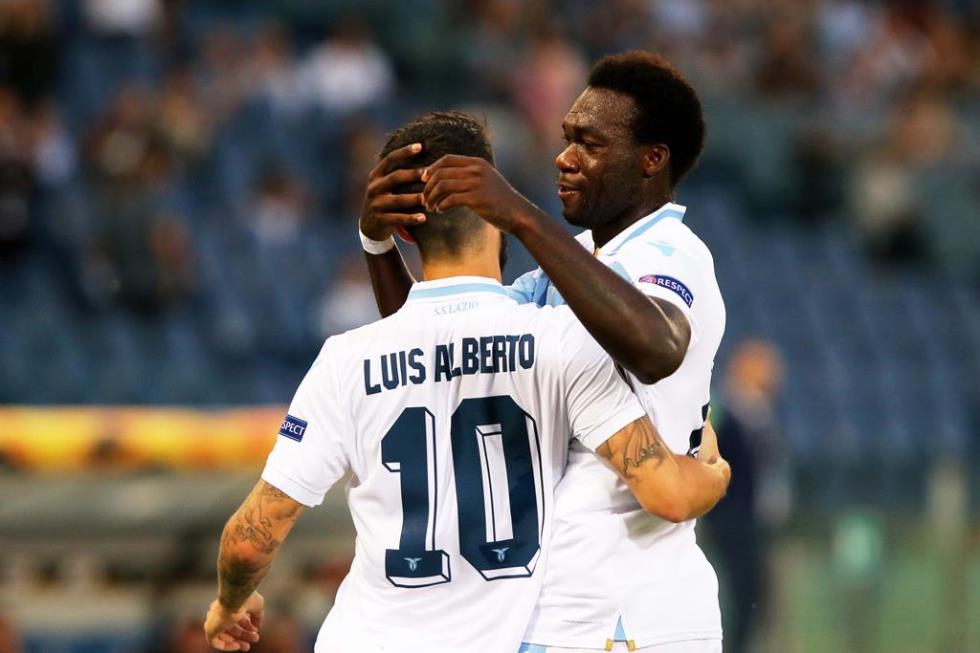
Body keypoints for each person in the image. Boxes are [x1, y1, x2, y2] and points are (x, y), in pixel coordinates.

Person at [204, 112, 730, 653]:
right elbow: (666, 491)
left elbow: (249, 542)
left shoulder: (345, 361)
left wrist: (229, 604)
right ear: (496, 207)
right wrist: (714, 471)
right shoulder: (560, 340)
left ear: (403, 229)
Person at [359, 51, 726, 652]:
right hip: (562, 609)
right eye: (566, 138)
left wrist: (522, 217)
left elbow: (657, 346)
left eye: (590, 143)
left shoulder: (671, 251)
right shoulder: (563, 274)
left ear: (651, 159)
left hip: (629, 610)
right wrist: (378, 244)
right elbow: (443, 356)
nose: (565, 158)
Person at [702, 340, 787, 653]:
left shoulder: (760, 415)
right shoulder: (725, 411)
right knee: (737, 595)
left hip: (753, 520)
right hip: (730, 519)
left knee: (754, 596)